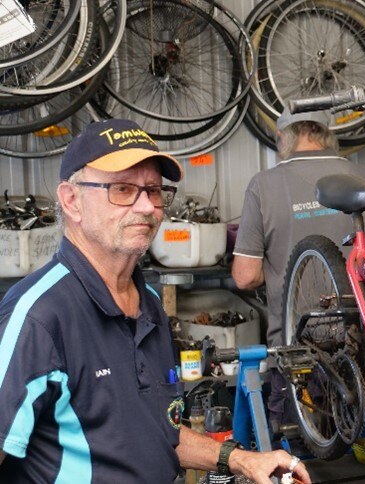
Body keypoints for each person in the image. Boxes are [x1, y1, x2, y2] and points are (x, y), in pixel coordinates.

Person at [0, 119, 311, 484]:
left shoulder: (148, 304)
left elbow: (160, 431)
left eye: (153, 190)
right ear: (72, 200)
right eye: (122, 189)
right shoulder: (37, 314)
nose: (147, 206)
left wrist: (243, 460)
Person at [232, 108, 365, 432]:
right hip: (362, 350)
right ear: (327, 134)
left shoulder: (263, 185)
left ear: (284, 137)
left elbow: (244, 275)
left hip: (296, 351)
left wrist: (278, 275)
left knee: (294, 459)